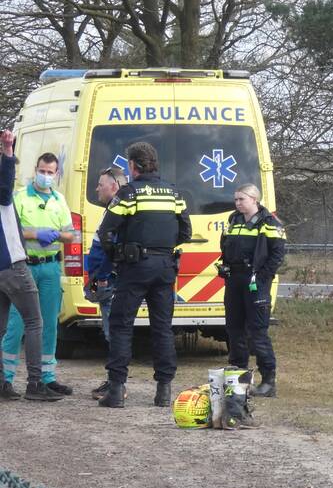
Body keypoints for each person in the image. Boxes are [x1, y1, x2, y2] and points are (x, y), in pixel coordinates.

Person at [96, 142, 191, 408]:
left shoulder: (129, 193)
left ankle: (116, 391)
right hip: (165, 268)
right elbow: (185, 232)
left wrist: (117, 255)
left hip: (134, 266)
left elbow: (105, 232)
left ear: (133, 165)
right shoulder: (174, 193)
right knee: (162, 328)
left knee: (121, 325)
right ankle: (163, 390)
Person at [2, 151, 75, 396]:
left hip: (51, 266)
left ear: (57, 174)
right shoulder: (20, 197)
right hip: (24, 267)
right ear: (36, 170)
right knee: (17, 324)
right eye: (42, 171)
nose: (45, 176)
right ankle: (7, 377)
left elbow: (70, 234)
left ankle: (47, 376)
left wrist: (54, 234)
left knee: (49, 323)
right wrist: (37, 233)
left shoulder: (59, 200)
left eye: (50, 172)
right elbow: (14, 229)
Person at [219, 183, 285, 397]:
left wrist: (263, 276)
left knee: (257, 332)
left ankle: (268, 381)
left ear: (254, 200)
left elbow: (277, 254)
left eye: (242, 199)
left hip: (256, 281)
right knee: (234, 329)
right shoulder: (233, 219)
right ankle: (238, 378)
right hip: (234, 279)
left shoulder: (269, 222)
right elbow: (226, 245)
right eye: (236, 199)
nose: (237, 203)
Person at [84, 166, 128, 400]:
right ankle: (113, 380)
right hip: (104, 278)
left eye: (100, 184)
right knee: (110, 330)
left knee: (114, 332)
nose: (97, 188)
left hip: (110, 280)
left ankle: (117, 385)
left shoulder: (118, 213)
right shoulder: (111, 210)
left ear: (114, 186)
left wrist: (100, 278)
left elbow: (111, 251)